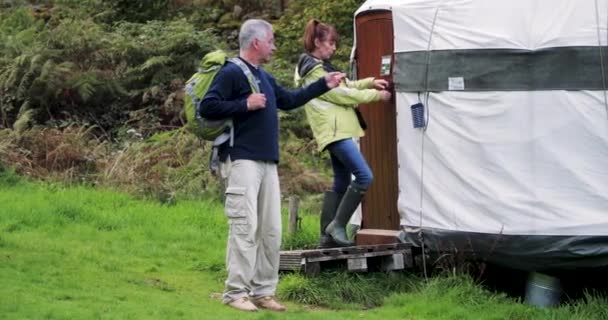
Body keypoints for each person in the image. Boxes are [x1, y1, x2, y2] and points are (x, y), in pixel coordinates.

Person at [199, 19, 345, 312]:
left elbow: (289, 101)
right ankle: (235, 292)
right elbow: (207, 107)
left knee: (271, 231)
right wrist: (244, 104)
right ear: (256, 43)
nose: (274, 46)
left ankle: (263, 292)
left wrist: (322, 85)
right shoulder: (231, 72)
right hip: (242, 160)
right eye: (271, 41)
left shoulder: (263, 76)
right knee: (245, 227)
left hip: (267, 163)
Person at [294, 19, 391, 248]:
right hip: (334, 131)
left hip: (336, 130)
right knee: (365, 176)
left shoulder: (321, 66)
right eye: (330, 43)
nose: (334, 47)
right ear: (317, 42)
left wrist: (370, 83)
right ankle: (337, 226)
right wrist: (377, 97)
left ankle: (326, 240)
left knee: (341, 181)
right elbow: (342, 95)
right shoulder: (314, 72)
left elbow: (348, 86)